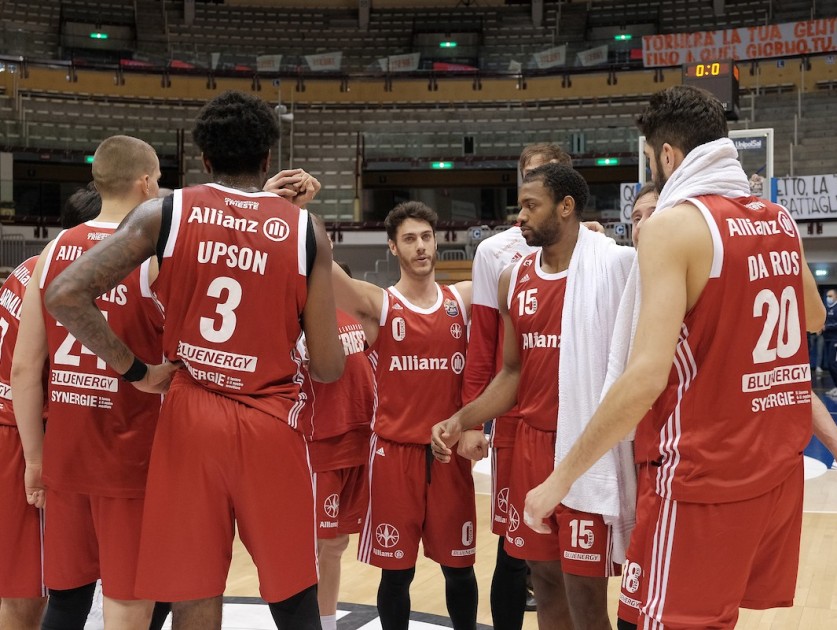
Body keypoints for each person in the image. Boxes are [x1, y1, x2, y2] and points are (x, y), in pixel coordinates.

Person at [37, 91, 345, 630]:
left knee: (193, 594)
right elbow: (327, 366)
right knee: (294, 595)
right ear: (268, 158)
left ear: (203, 159)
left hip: (188, 417)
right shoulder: (305, 231)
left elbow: (65, 294)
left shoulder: (166, 211)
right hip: (269, 421)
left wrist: (136, 371)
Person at [524, 85, 826, 629]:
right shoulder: (778, 220)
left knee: (645, 623)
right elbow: (813, 319)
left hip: (700, 480)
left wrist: (559, 480)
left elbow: (644, 378)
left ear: (667, 155)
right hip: (773, 476)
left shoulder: (673, 225)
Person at [432, 163, 635, 630]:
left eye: (530, 206)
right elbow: (511, 373)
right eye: (519, 205)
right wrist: (462, 418)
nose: (518, 217)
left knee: (586, 595)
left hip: (584, 451)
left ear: (566, 208)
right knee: (543, 581)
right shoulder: (513, 278)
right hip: (529, 448)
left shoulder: (615, 267)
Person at [12, 137, 165, 630]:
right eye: (159, 180)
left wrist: (35, 459)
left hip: (66, 455)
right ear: (145, 183)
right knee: (127, 602)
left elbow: (24, 369)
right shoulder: (152, 254)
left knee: (66, 598)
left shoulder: (53, 250)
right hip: (132, 459)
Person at [331, 201, 478, 630]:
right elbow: (329, 274)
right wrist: (293, 216)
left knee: (460, 570)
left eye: (426, 237)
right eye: (409, 239)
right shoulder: (380, 305)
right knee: (397, 574)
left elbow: (514, 267)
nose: (420, 247)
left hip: (449, 457)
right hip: (395, 457)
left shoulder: (462, 299)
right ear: (393, 248)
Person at [464, 142, 572, 630]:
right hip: (518, 424)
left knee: (577, 558)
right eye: (529, 180)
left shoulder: (598, 250)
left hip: (574, 424)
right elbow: (484, 347)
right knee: (514, 547)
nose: (535, 191)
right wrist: (471, 419)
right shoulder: (496, 254)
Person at [0, 184, 103, 630]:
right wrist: (36, 460)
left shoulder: (29, 267)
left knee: (29, 587)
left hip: (10, 425)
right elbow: (26, 373)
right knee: (28, 591)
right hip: (20, 434)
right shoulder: (65, 282)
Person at [297, 261, 376, 630]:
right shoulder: (297, 316)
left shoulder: (359, 312)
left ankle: (326, 624)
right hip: (320, 444)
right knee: (313, 547)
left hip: (359, 439)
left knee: (336, 543)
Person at [823, 288, 837, 397]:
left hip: (835, 339)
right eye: (827, 296)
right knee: (828, 364)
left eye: (830, 296)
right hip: (827, 338)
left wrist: (826, 327)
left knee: (833, 363)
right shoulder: (826, 308)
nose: (829, 298)